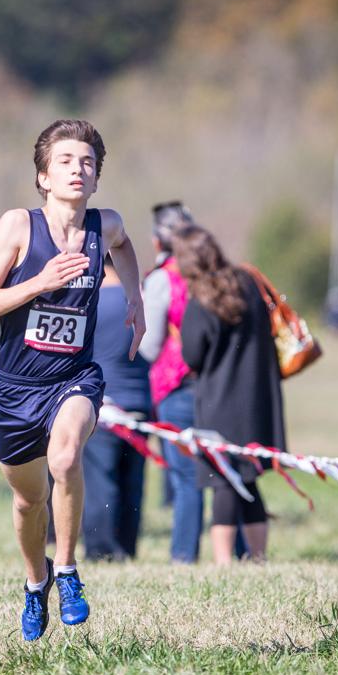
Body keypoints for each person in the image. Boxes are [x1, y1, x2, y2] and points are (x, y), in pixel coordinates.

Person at [0, 118, 145, 641]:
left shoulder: (104, 225)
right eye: (66, 161)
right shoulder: (18, 227)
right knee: (28, 501)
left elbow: (125, 245)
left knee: (66, 458)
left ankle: (67, 572)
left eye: (87, 163)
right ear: (43, 176)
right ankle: (35, 580)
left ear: (96, 178)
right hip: (17, 389)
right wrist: (38, 283)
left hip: (75, 378)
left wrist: (135, 298)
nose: (78, 169)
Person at [174, 225, 286, 565]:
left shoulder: (200, 301)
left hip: (219, 402)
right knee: (248, 478)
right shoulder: (249, 283)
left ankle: (224, 564)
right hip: (258, 399)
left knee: (223, 480)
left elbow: (192, 356)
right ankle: (258, 557)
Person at [138, 201, 204, 562]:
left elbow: (149, 344)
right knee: (229, 471)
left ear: (158, 241)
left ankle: (184, 555)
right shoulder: (213, 273)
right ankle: (240, 552)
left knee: (184, 476)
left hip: (176, 386)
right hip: (218, 384)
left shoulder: (163, 278)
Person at [82, 254, 152, 561]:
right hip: (140, 403)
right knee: (132, 482)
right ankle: (128, 546)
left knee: (100, 482)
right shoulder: (140, 300)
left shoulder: (89, 303)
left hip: (103, 404)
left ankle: (102, 550)